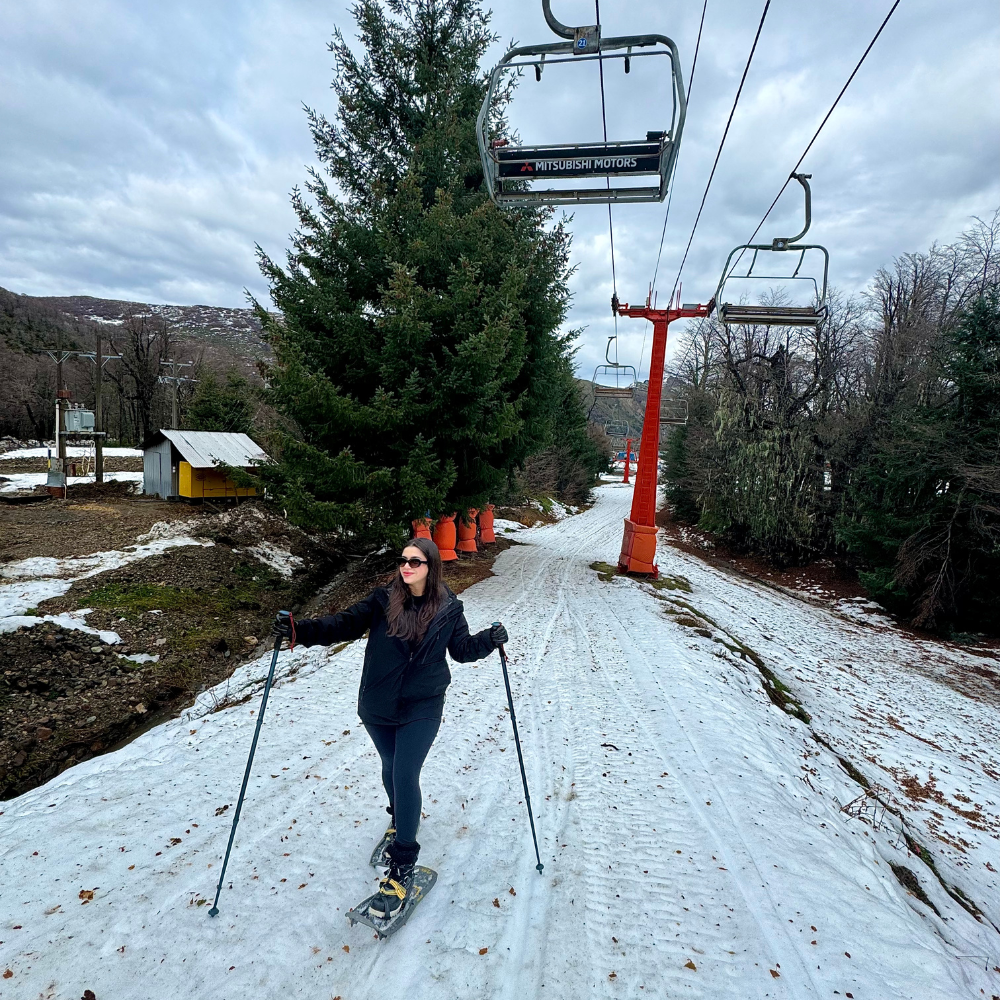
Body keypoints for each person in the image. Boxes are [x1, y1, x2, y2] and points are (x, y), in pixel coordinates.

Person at [271, 535, 507, 918]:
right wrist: (298, 630)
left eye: (415, 561)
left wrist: (487, 640)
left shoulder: (449, 608)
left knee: (404, 771)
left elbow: (461, 650)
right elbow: (341, 625)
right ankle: (400, 821)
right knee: (389, 767)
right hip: (378, 705)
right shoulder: (382, 601)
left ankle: (403, 866)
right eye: (403, 560)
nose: (407, 567)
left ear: (431, 567)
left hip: (423, 704)